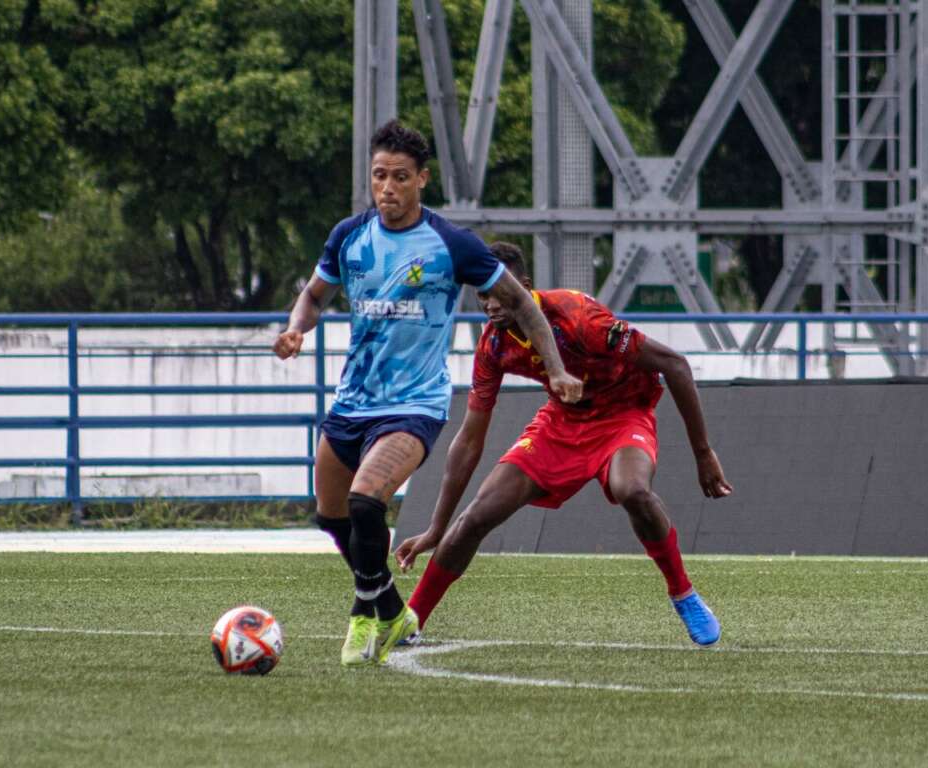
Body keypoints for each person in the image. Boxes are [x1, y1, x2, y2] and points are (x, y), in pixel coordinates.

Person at [273, 123, 582, 667]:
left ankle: (364, 613)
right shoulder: (349, 236)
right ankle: (393, 609)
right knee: (332, 516)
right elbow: (314, 296)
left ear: (421, 179)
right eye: (378, 176)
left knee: (366, 502)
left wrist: (555, 370)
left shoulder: (451, 243)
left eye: (399, 177)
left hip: (415, 404)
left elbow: (522, 303)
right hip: (353, 400)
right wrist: (297, 328)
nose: (387, 188)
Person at [396, 242, 733, 646]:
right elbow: (469, 439)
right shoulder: (494, 345)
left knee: (633, 491)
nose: (491, 304)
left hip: (624, 414)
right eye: (483, 294)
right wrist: (436, 528)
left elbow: (674, 364)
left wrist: (703, 453)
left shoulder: (579, 318)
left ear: (523, 287)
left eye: (499, 292)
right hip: (562, 422)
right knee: (477, 515)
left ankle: (683, 593)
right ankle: (411, 620)